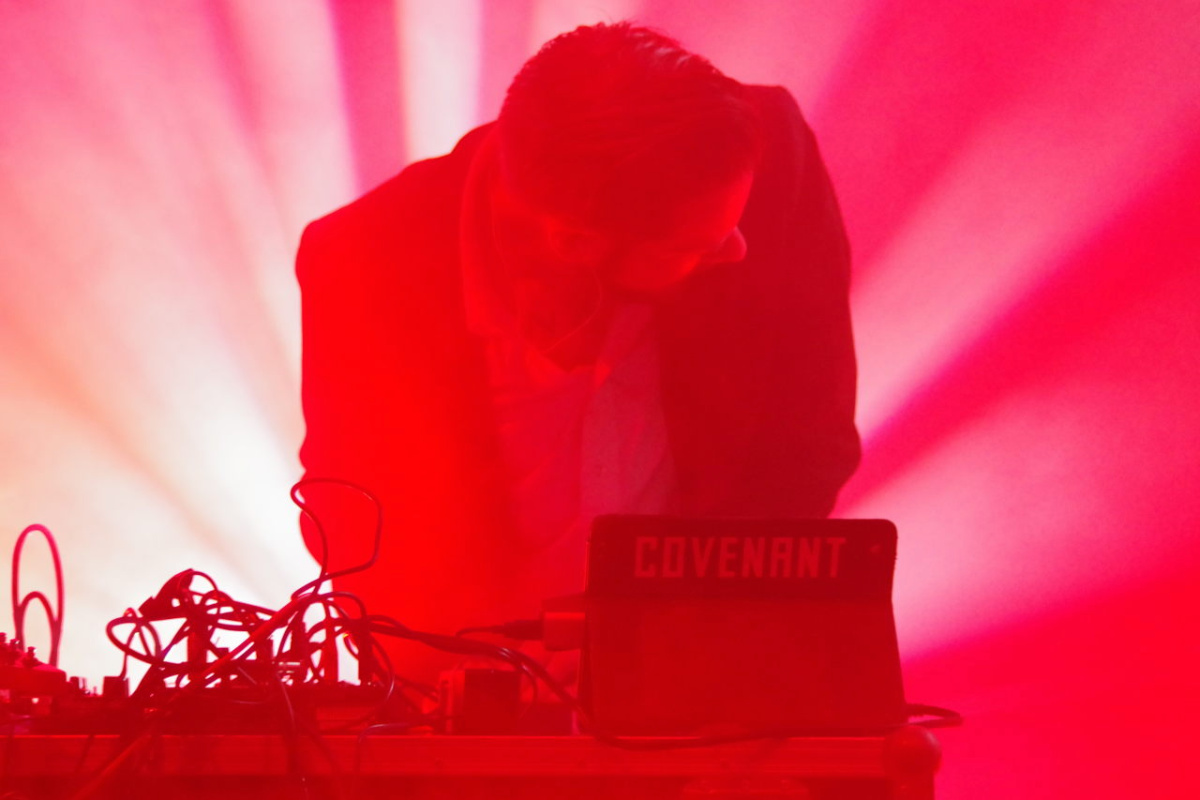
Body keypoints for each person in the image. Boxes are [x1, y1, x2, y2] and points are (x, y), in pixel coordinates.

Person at [295, 22, 860, 684]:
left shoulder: (768, 161)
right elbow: (356, 523)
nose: (736, 248)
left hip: (707, 687)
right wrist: (490, 668)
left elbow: (806, 453)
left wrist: (684, 647)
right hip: (476, 693)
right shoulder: (363, 267)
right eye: (693, 248)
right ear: (574, 245)